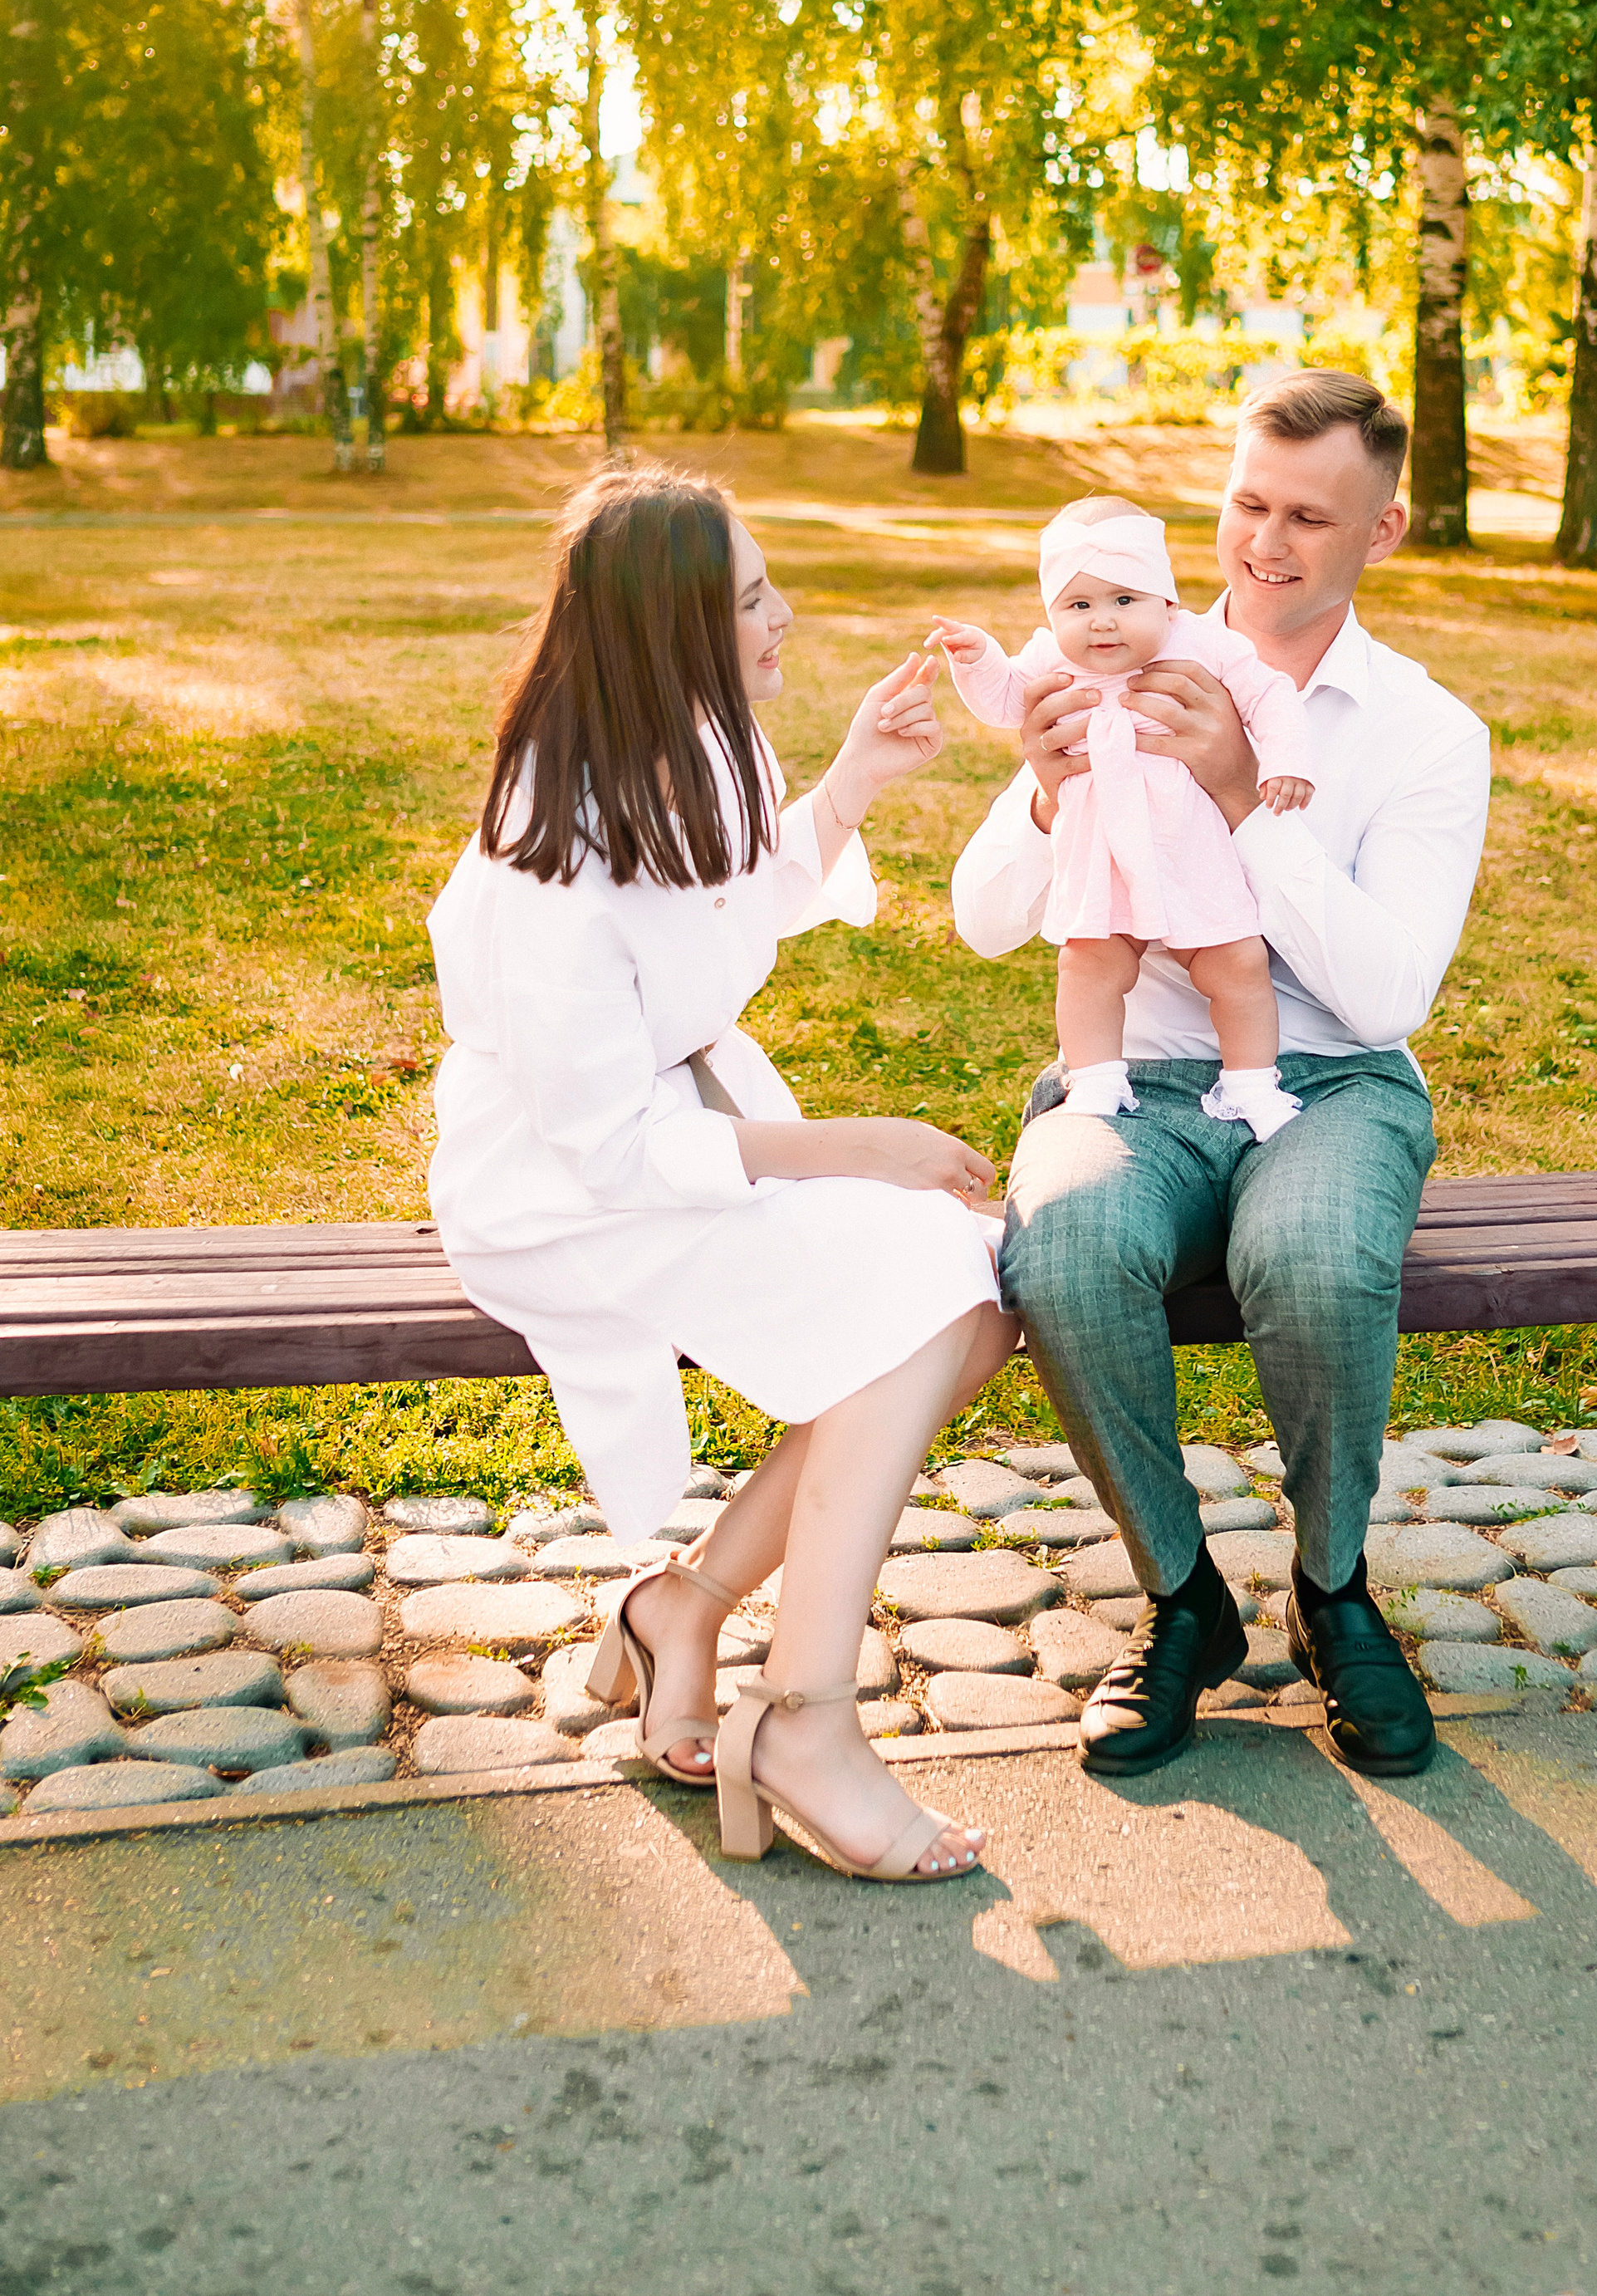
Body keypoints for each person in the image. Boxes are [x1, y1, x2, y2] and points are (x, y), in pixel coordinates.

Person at [427, 464, 1017, 1880]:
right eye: (753, 598)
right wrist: (854, 1149)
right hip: (564, 1197)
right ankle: (807, 1717)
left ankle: (684, 1606)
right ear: (671, 629)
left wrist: (857, 776)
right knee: (935, 1289)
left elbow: (738, 897)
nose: (787, 616)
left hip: (686, 1139)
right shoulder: (544, 854)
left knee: (981, 1292)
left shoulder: (703, 736)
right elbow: (608, 1146)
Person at [953, 373, 1490, 1779]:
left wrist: (1249, 799)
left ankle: (1333, 1588)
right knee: (1063, 1242)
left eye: (1309, 515)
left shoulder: (1430, 732)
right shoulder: (1109, 650)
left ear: (1384, 530)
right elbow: (984, 917)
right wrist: (1048, 786)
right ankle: (1185, 1595)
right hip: (1136, 1079)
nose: (1266, 541)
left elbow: (1383, 994)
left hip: (1335, 1081)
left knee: (1308, 1249)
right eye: (1248, 501)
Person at [928, 493, 1316, 1141]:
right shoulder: (1054, 659)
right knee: (1087, 966)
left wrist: (1286, 759)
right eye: (1078, 606)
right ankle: (1096, 1077)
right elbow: (1003, 702)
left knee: (1238, 963)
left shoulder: (1203, 645)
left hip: (1190, 850)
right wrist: (977, 659)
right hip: (1101, 851)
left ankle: (1252, 1082)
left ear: (1167, 602)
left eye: (1124, 601)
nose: (1101, 624)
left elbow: (1268, 694)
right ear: (1053, 615)